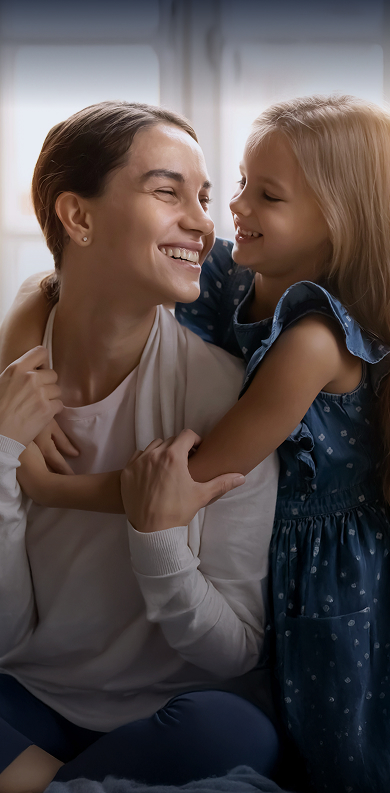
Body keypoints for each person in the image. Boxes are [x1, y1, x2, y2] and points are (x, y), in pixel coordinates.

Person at [8, 94, 390, 793]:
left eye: (255, 194)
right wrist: (10, 399)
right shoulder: (225, 276)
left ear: (335, 223)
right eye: (234, 186)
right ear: (78, 214)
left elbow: (183, 483)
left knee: (297, 739)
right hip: (40, 690)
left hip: (300, 596)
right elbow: (52, 282)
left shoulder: (284, 355)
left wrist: (41, 482)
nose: (219, 214)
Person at [0, 102, 280, 793]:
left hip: (176, 709)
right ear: (80, 217)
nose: (203, 221)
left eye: (204, 198)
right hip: (32, 694)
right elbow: (5, 638)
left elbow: (233, 648)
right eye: (167, 191)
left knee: (236, 731)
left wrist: (157, 539)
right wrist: (1, 453)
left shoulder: (225, 401)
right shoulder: (10, 381)